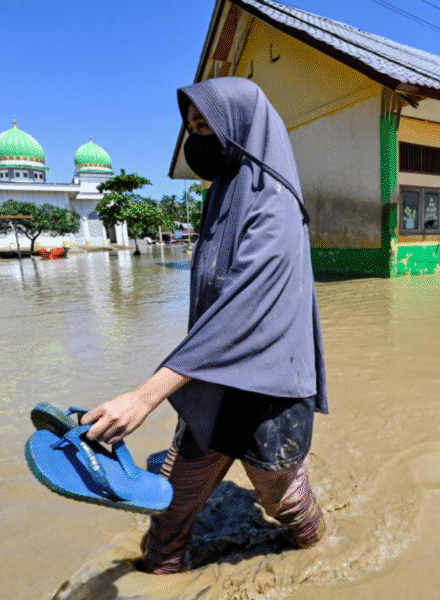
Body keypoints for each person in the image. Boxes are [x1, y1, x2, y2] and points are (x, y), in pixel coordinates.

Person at [81, 77, 328, 575]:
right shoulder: (223, 193)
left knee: (286, 506)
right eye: (192, 127)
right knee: (170, 514)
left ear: (240, 129)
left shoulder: (274, 202)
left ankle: (324, 559)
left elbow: (240, 311)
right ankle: (157, 574)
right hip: (214, 382)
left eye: (207, 127)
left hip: (269, 396)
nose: (197, 139)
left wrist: (145, 395)